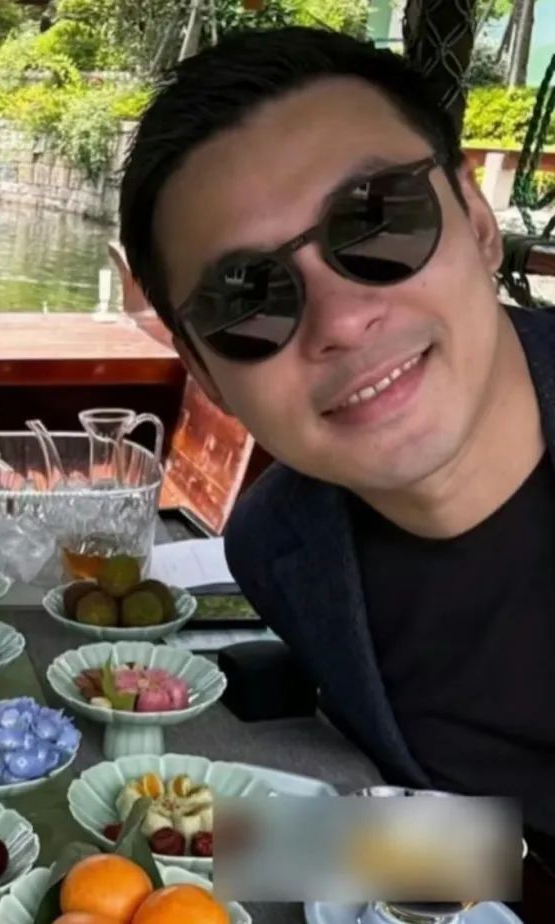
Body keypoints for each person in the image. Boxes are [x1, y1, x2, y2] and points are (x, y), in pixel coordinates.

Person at [119, 24, 555, 908]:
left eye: (378, 220)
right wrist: (179, 836)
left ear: (477, 224)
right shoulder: (282, 544)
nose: (341, 321)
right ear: (206, 372)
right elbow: (491, 846)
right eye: (246, 298)